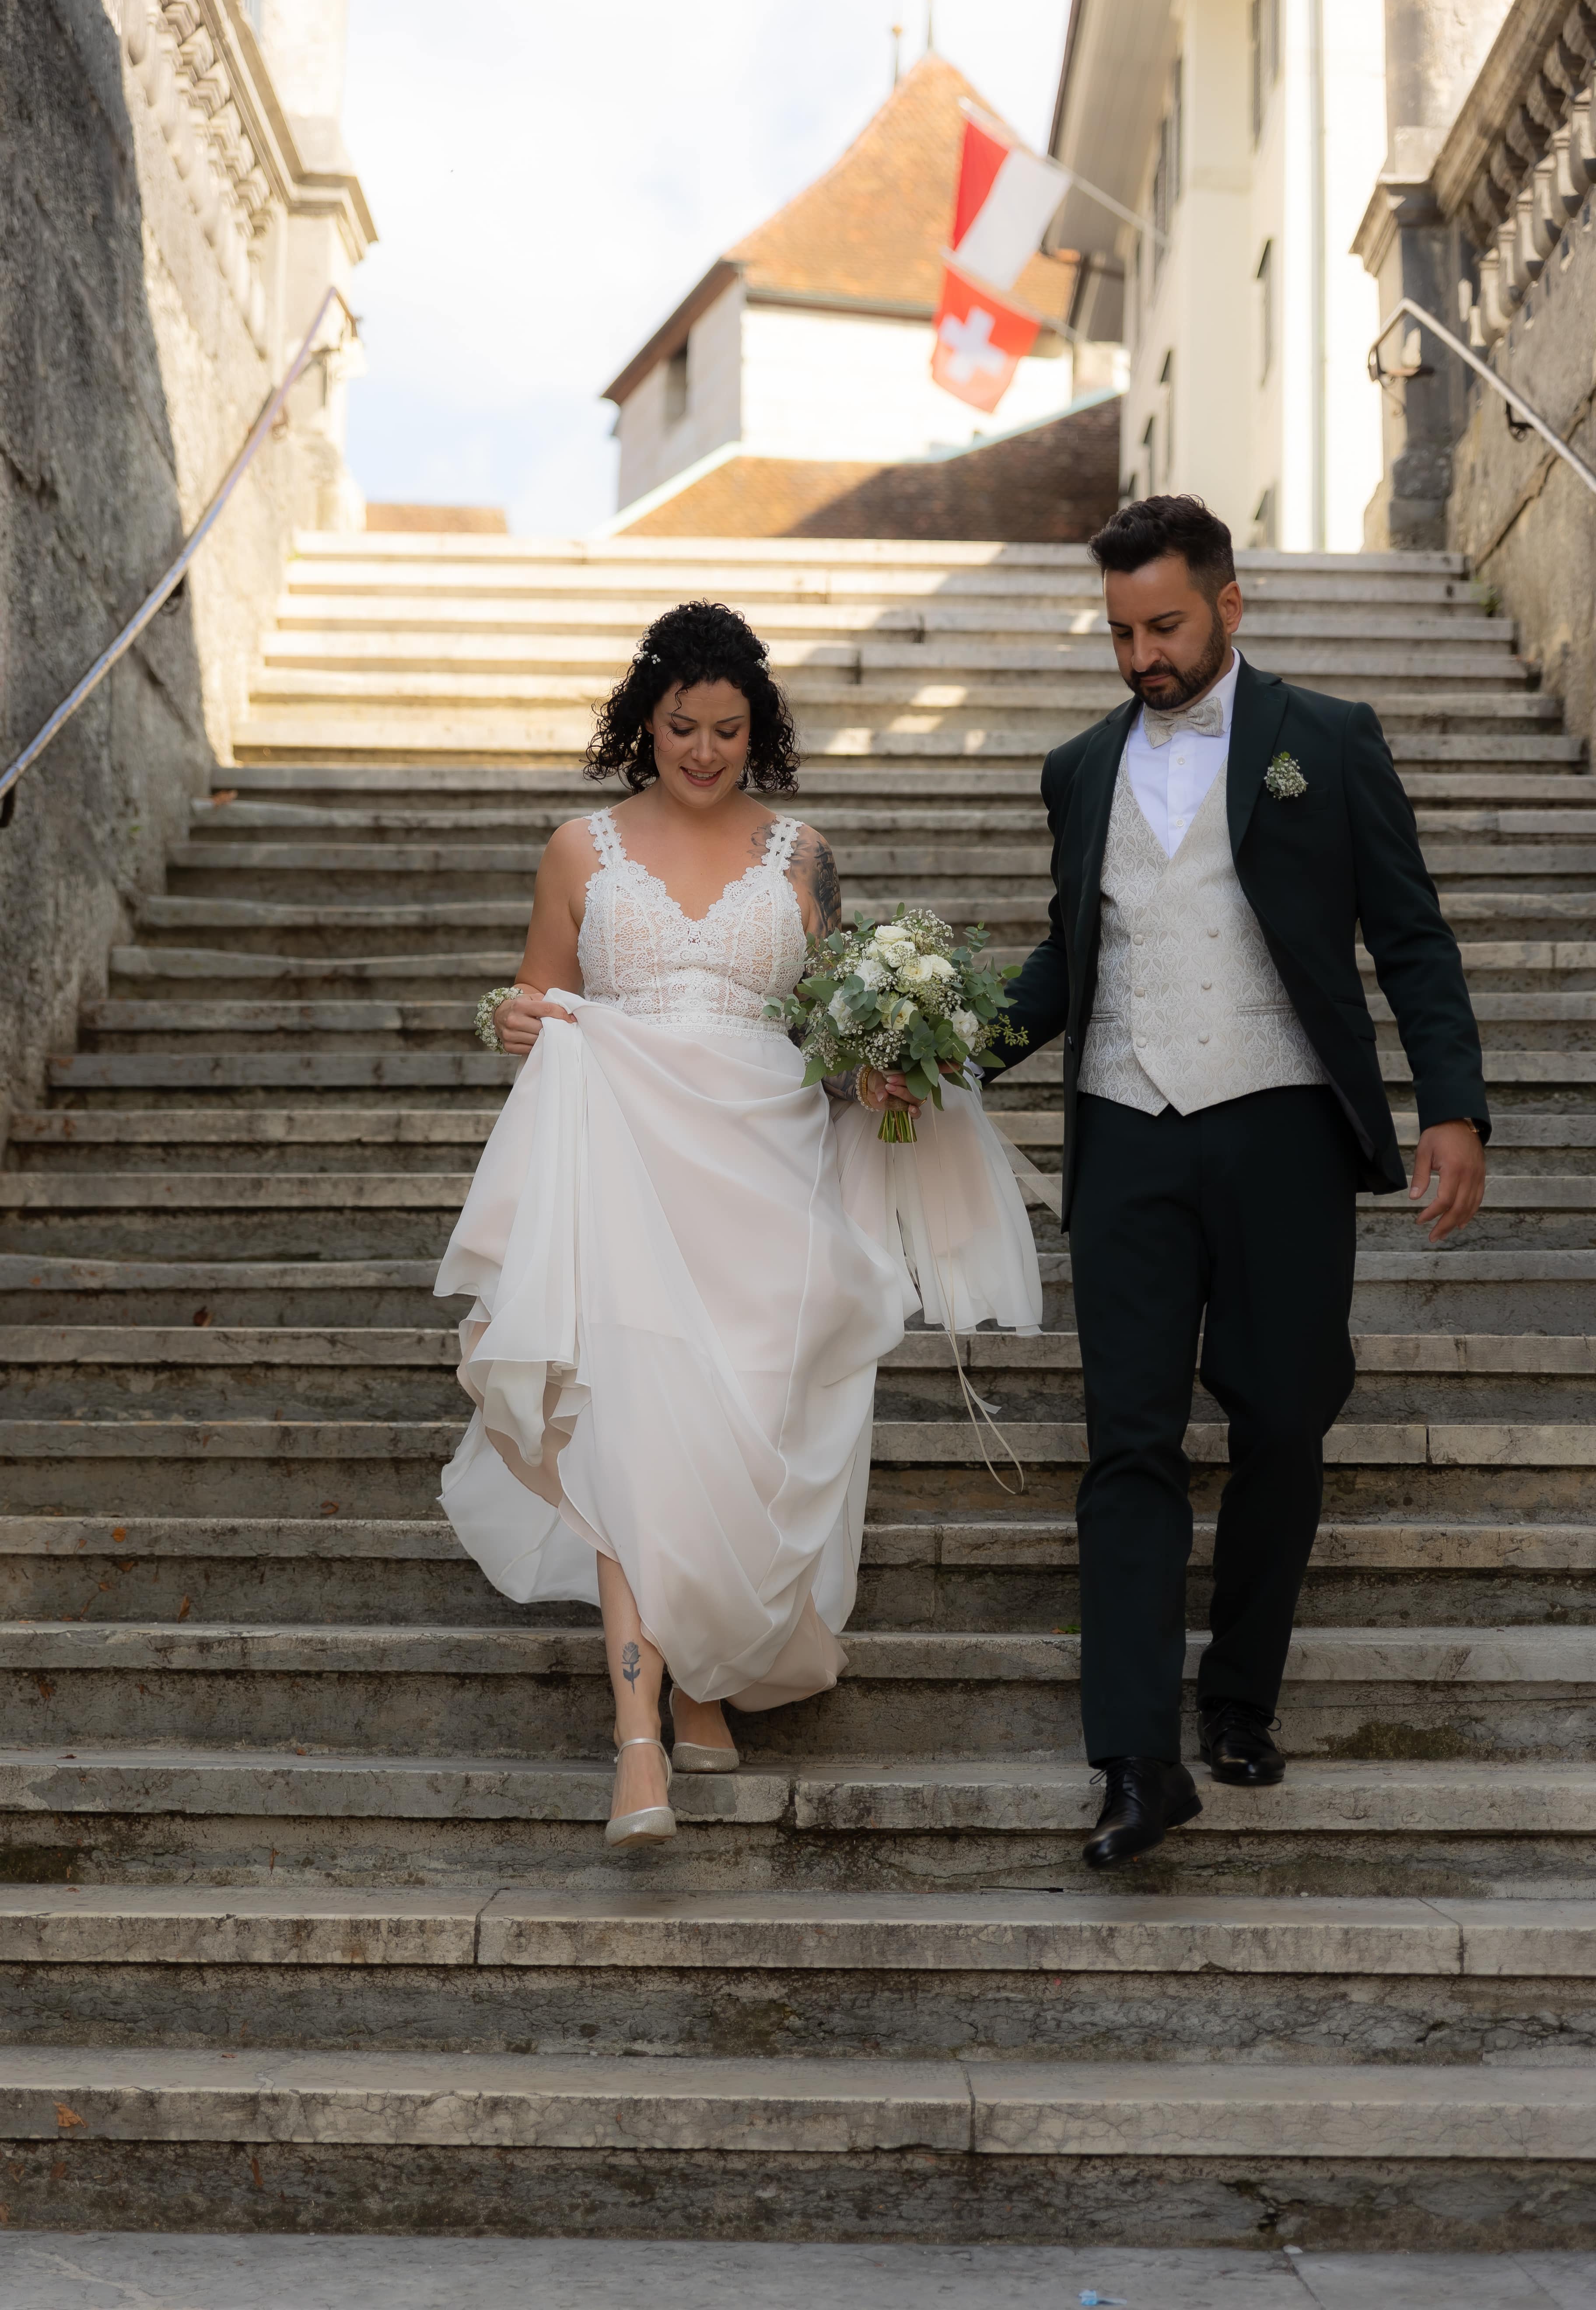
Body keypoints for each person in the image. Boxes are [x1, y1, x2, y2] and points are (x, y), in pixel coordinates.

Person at [437, 599, 1040, 1846]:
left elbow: (831, 1030)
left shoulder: (803, 858)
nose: (703, 752)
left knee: (748, 1439)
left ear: (757, 729)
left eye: (726, 730)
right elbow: (533, 999)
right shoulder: (579, 852)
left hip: (772, 1179)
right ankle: (638, 1743)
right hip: (628, 1173)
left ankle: (707, 1678)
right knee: (634, 1436)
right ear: (642, 723)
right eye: (681, 728)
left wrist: (884, 1064)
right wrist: (511, 1016)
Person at [992, 495, 1488, 1871]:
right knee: (1130, 1441)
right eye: (1120, 634)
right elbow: (1070, 955)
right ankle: (1134, 1759)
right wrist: (943, 1051)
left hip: (1281, 1124)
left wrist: (1453, 1105)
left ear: (1228, 604)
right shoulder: (1079, 769)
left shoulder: (1327, 740)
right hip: (1125, 1131)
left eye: (1163, 626)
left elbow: (1411, 935)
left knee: (1282, 1416)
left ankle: (1240, 1695)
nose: (1142, 656)